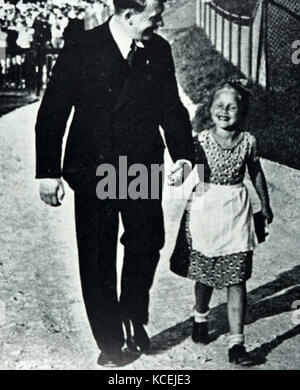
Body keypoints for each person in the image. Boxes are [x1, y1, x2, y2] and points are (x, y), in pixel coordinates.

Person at [35, 0, 194, 367]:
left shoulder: (158, 49)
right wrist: (48, 171)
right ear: (128, 16)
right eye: (154, 17)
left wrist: (182, 154)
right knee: (97, 255)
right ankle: (109, 340)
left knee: (146, 242)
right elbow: (53, 111)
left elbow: (171, 105)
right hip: (95, 168)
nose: (160, 23)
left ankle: (132, 314)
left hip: (139, 166)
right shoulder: (83, 47)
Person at [169, 79, 273, 366]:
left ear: (243, 111)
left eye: (232, 106)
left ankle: (237, 344)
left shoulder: (249, 141)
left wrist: (265, 204)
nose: (224, 111)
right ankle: (200, 316)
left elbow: (257, 173)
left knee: (236, 277)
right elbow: (185, 169)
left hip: (237, 214)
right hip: (205, 210)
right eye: (219, 105)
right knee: (205, 275)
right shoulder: (200, 140)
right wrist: (175, 176)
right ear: (210, 109)